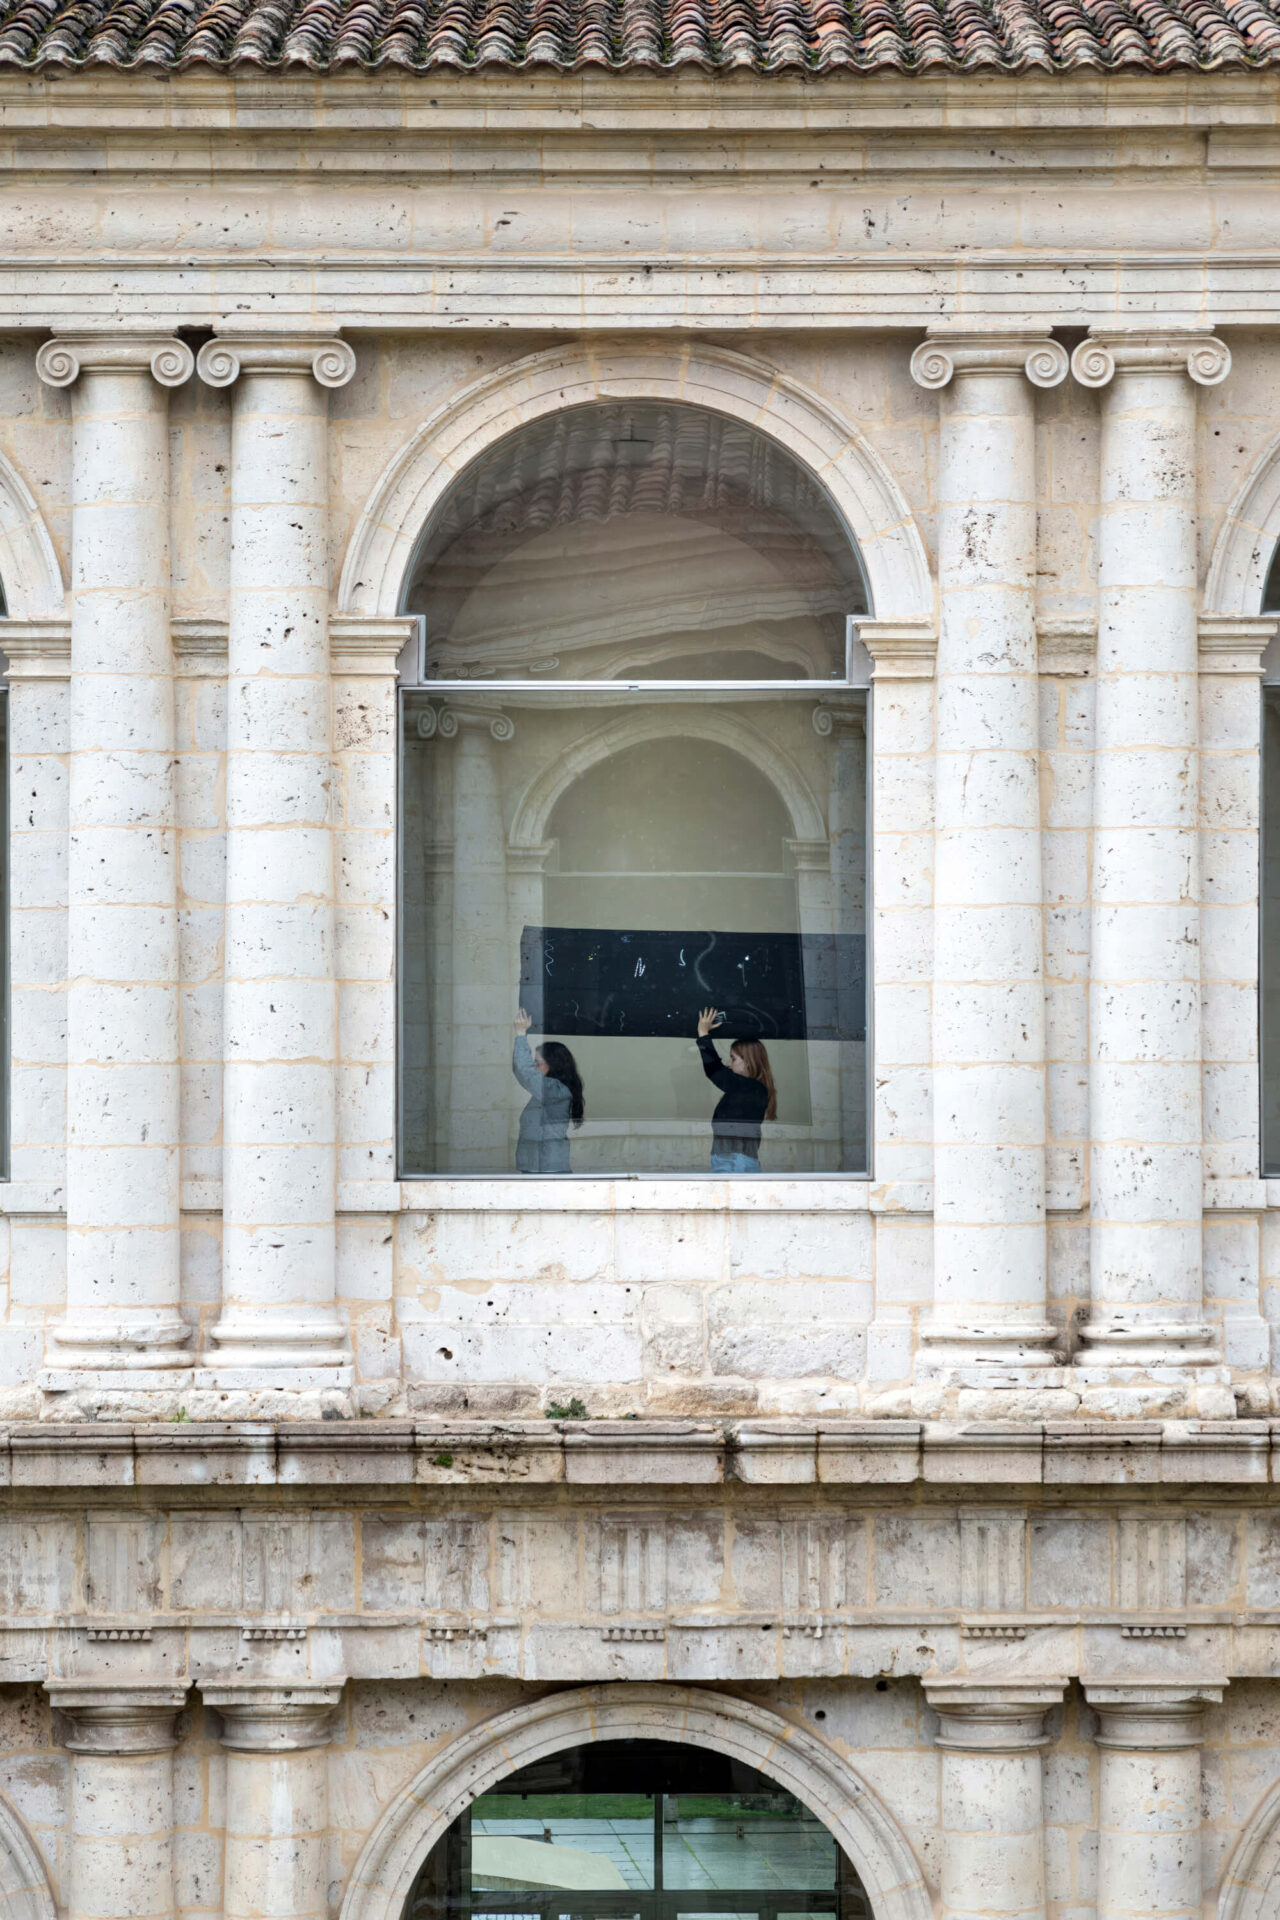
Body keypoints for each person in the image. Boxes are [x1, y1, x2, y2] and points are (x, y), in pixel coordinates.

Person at [695, 1006, 776, 1173]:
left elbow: (715, 1071)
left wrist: (703, 1034)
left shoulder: (752, 1088)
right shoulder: (749, 1089)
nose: (728, 1064)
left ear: (747, 1061)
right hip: (732, 1161)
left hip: (735, 1163)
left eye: (733, 1058)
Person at [512, 1010, 585, 1173]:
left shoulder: (554, 1090)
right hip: (538, 1169)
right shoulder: (549, 1091)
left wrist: (520, 1034)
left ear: (554, 1064)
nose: (535, 1068)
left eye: (538, 1063)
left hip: (548, 1172)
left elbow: (524, 1071)